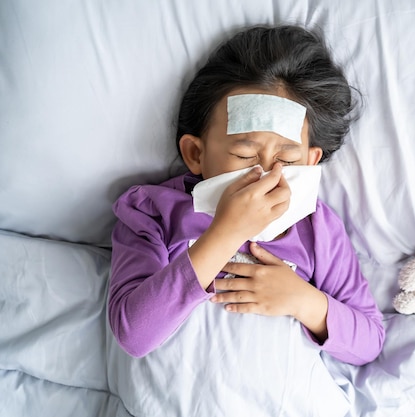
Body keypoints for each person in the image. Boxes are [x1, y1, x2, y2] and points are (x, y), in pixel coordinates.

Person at [108, 25, 384, 366]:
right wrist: (226, 232)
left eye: (286, 160)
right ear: (196, 154)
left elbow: (370, 342)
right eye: (244, 155)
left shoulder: (318, 229)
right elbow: (133, 334)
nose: (266, 175)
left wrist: (303, 301)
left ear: (312, 163)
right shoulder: (151, 211)